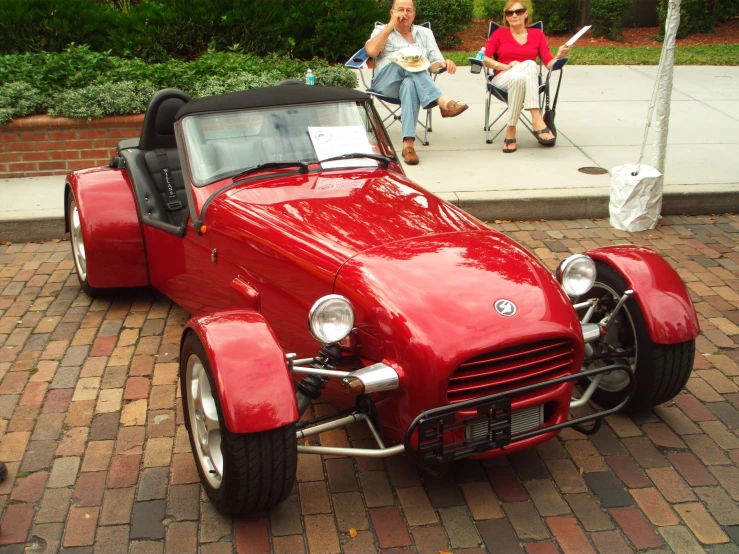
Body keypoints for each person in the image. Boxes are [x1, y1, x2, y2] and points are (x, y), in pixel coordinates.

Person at [365, 0, 469, 165]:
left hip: (412, 84)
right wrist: (390, 25)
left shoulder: (425, 33)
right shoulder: (381, 30)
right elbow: (371, 51)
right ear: (392, 12)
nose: (404, 14)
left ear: (414, 14)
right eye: (400, 10)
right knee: (405, 59)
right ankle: (441, 101)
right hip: (385, 84)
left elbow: (434, 64)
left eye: (408, 10)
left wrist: (443, 64)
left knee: (410, 83)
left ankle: (408, 145)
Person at [482, 0, 571, 153]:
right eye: (510, 13)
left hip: (524, 81)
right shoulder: (499, 34)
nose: (514, 15)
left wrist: (560, 55)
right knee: (530, 63)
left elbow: (549, 63)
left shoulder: (537, 35)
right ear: (506, 17)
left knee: (521, 75)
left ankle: (511, 129)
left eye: (518, 11)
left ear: (526, 13)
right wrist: (506, 66)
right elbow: (483, 58)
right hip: (502, 78)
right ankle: (536, 118)